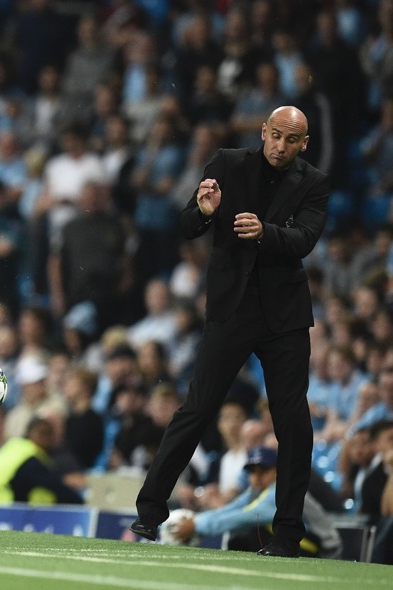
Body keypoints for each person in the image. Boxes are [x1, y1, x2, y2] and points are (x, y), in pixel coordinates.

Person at [131, 106, 330, 558]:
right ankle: (150, 510)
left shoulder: (314, 183)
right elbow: (186, 226)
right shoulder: (226, 163)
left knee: (293, 423)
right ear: (263, 132)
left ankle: (286, 537)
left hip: (284, 318)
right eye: (275, 135)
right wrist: (203, 212)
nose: (281, 145)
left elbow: (304, 241)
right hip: (231, 310)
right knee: (197, 408)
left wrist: (265, 232)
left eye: (291, 139)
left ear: (304, 144)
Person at [169, 446, 342, 559]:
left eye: (263, 471)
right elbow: (230, 509)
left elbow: (243, 517)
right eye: (252, 472)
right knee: (246, 535)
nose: (257, 477)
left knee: (255, 526)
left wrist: (197, 527)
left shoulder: (278, 491)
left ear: (277, 471)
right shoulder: (257, 491)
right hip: (304, 541)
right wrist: (197, 519)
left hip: (324, 549)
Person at [0, 417, 85, 506]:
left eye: (48, 434)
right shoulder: (30, 458)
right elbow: (56, 487)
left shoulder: (13, 446)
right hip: (2, 508)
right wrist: (83, 504)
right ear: (29, 434)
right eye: (42, 434)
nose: (46, 439)